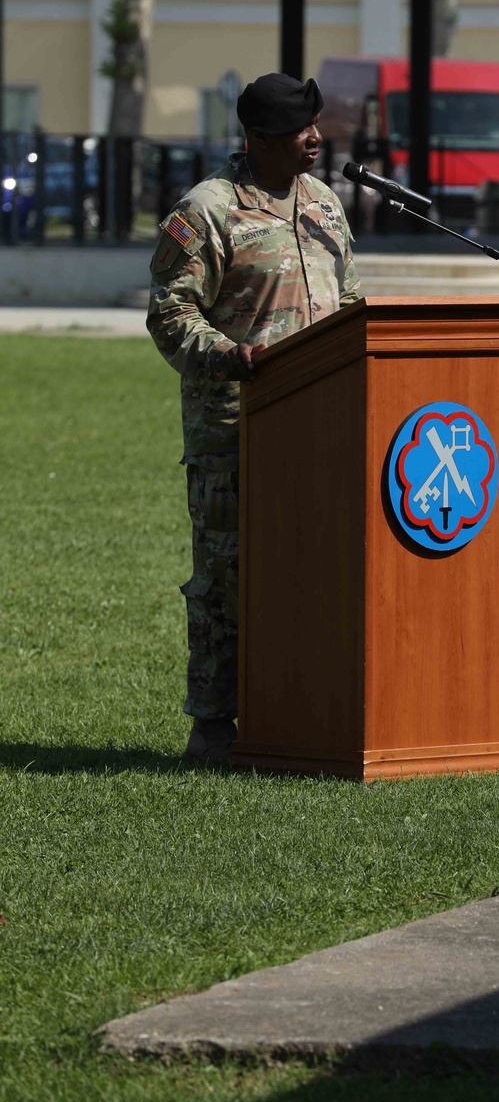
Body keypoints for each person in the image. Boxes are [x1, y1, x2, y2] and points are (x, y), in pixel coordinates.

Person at [147, 73, 362, 764]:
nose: (316, 139)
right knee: (226, 579)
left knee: (315, 568)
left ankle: (301, 711)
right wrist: (230, 355)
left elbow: (350, 299)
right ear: (262, 139)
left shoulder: (325, 204)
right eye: (303, 130)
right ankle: (213, 724)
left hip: (322, 425)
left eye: (316, 126)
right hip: (236, 428)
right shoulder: (206, 211)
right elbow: (169, 314)